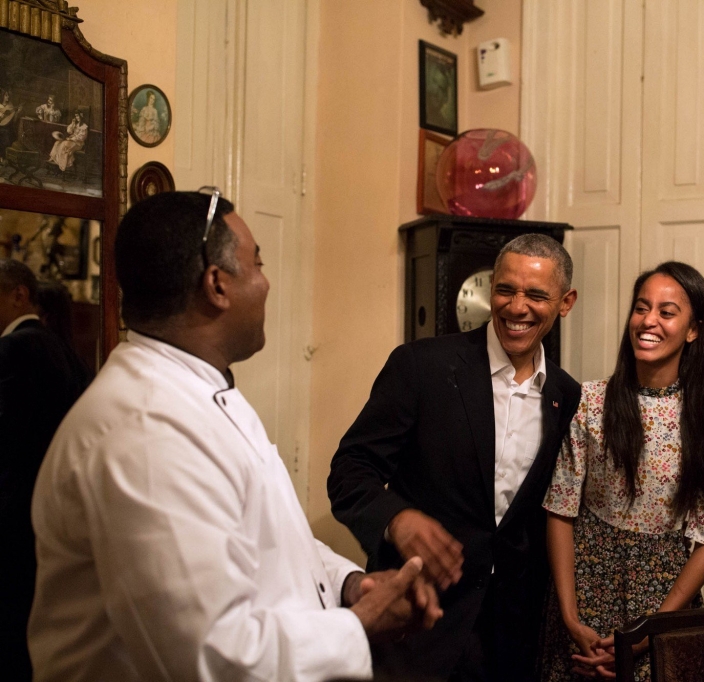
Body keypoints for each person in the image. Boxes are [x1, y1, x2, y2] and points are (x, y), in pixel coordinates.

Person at [29, 191, 441, 682]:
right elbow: (211, 659)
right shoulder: (146, 431)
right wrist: (359, 626)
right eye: (258, 263)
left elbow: (274, 543)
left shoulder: (199, 390)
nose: (266, 283)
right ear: (217, 284)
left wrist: (352, 584)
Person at [328, 234, 582, 682]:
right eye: (505, 289)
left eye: (536, 295)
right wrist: (397, 519)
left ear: (565, 303)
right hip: (414, 627)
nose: (516, 307)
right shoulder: (421, 367)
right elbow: (351, 472)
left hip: (509, 643)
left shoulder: (569, 396)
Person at [539, 262, 704, 681]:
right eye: (642, 307)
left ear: (693, 329)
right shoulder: (592, 403)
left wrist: (651, 629)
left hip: (664, 604)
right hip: (584, 595)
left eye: (667, 312)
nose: (649, 321)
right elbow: (560, 511)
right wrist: (571, 618)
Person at [0, 260, 90, 682]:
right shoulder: (57, 345)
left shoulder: (19, 348)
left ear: (19, 295)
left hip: (18, 513)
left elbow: (12, 441)